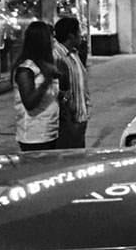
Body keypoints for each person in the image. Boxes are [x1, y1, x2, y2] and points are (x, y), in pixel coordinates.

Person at [11, 21, 61, 151]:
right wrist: (47, 81)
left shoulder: (45, 64)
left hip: (50, 131)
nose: (53, 40)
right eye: (50, 37)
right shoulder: (26, 69)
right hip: (34, 136)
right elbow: (29, 102)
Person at [53, 17, 91, 148]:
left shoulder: (74, 54)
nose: (81, 36)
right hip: (67, 123)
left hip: (81, 119)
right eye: (79, 32)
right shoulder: (57, 56)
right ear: (71, 35)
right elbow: (55, 90)